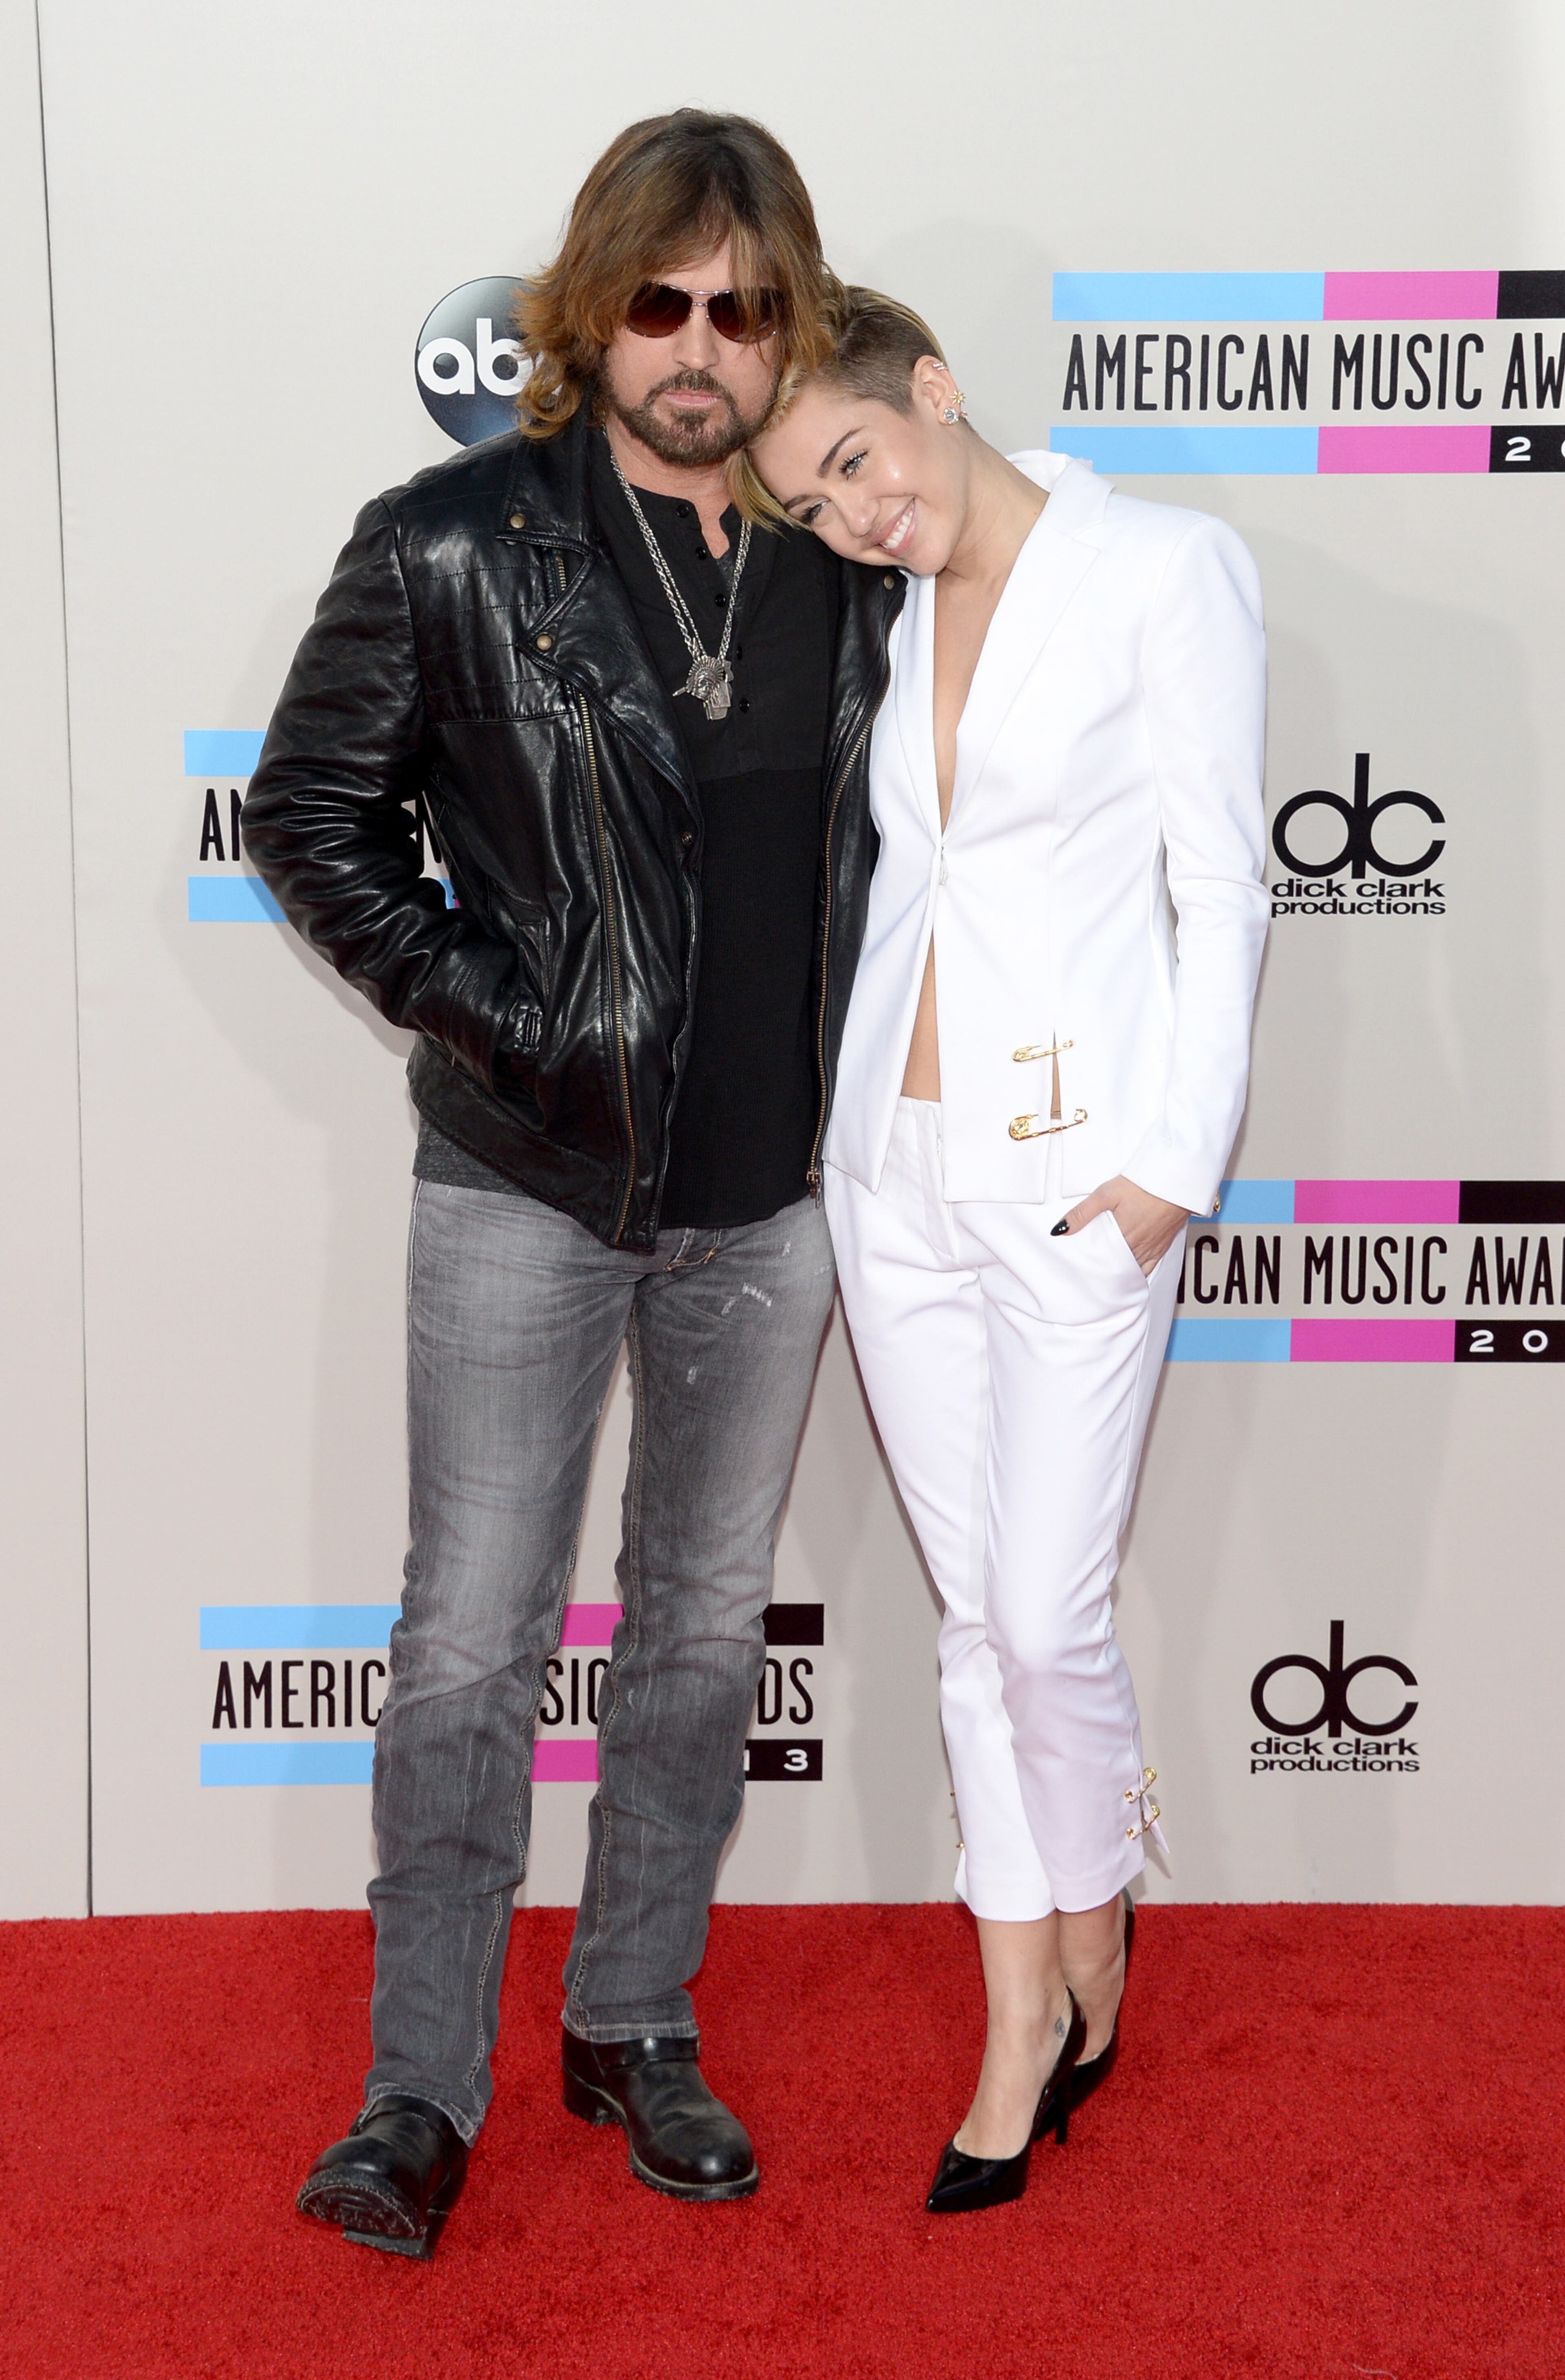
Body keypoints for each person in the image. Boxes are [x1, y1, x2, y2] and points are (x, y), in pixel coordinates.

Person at [242, 116, 902, 2258]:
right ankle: (416, 2092)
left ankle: (633, 2017)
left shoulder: (852, 556)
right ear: (590, 306)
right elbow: (308, 819)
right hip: (525, 1185)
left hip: (774, 1201)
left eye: (742, 306)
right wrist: (506, 1020)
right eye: (659, 300)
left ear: (787, 322)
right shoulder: (452, 543)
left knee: (703, 1633)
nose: (699, 347)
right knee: (469, 1648)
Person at [749, 290, 1267, 2212]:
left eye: (858, 465)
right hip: (898, 1173)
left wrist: (1171, 1166)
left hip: (1080, 1181)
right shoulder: (883, 622)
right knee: (980, 1620)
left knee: (1047, 1614)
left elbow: (1224, 880)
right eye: (813, 503)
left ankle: (1094, 1905)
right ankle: (1023, 2007)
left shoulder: (1162, 568)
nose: (853, 517)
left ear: (937, 391)